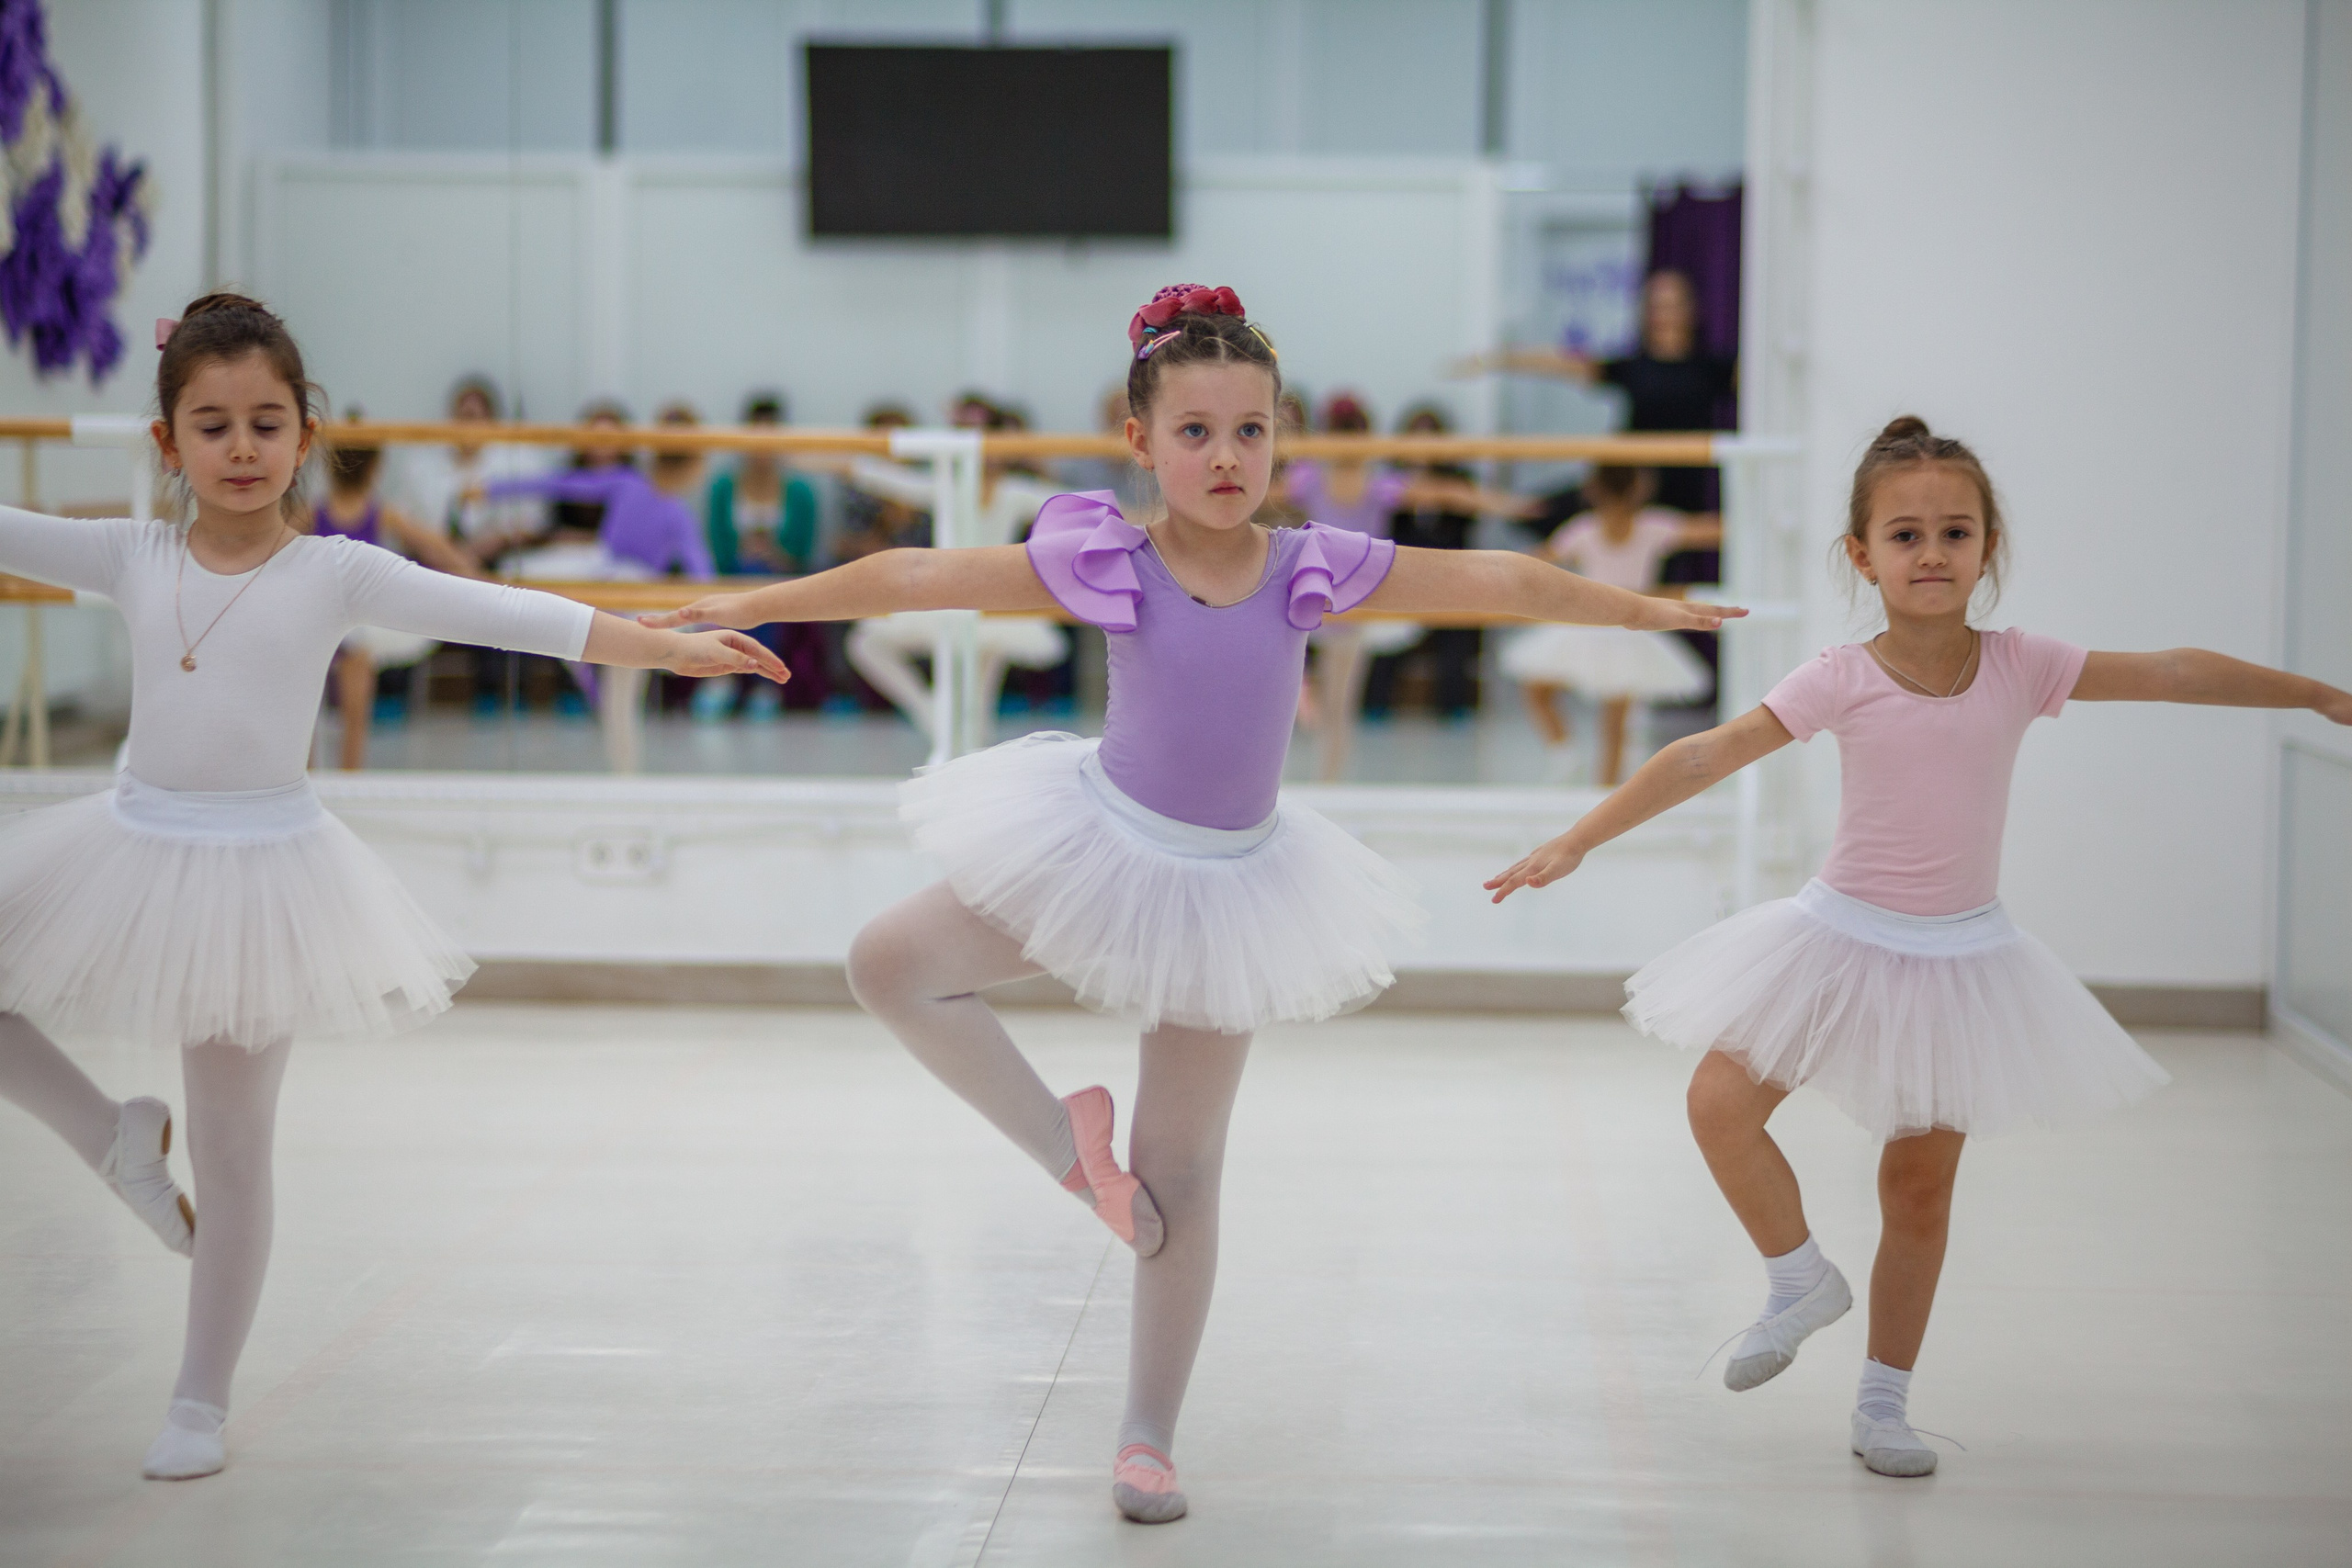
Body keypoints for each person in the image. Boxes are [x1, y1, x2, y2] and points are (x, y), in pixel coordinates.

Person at [643, 283, 1739, 1523]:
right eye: (1197, 431)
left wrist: (1644, 608)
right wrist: (748, 602)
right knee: (891, 961)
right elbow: (917, 572)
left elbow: (1507, 583)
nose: (1227, 458)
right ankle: (1072, 1152)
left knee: (1187, 1173)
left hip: (1232, 887)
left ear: (1283, 441)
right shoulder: (1106, 555)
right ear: (1140, 439)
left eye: (1253, 431)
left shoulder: (1312, 567)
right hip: (1096, 841)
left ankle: (1147, 1432)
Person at [0, 292, 785, 1482]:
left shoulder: (336, 571)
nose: (244, 448)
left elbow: (511, 611)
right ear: (169, 446)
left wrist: (666, 644)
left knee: (233, 1143)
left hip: (262, 872)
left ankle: (200, 1396)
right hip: (130, 839)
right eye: (212, 426)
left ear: (306, 437)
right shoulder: (130, 552)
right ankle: (109, 1134)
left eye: (268, 422)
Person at [1486, 415, 2352, 1479]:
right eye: (1904, 535)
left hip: (1959, 962)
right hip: (1835, 940)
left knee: (1918, 1190)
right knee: (1718, 1102)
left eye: (1954, 531)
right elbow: (1709, 751)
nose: (1931, 553)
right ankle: (1798, 1276)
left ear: (1988, 547)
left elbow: (2170, 671)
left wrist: (2312, 691)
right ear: (1862, 556)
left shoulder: (2024, 666)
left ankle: (1884, 1401)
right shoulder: (1841, 673)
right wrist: (1576, 838)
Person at [1285, 392, 1533, 780]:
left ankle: (1327, 771)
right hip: (1337, 593)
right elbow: (1447, 493)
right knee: (1337, 696)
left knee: (1337, 695)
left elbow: (1445, 493)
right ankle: (1324, 759)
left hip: (1337, 595)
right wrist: (1507, 504)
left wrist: (1508, 505)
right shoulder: (1343, 479)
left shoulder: (1335, 479)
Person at [839, 400, 1069, 743]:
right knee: (867, 643)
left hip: (993, 610)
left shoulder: (1013, 492)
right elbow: (882, 477)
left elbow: (1075, 503)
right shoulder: (947, 488)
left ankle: (955, 738)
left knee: (978, 686)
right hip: (946, 603)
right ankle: (932, 716)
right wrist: (815, 453)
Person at [1502, 465, 1722, 784]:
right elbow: (1710, 530)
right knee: (1614, 719)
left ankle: (1566, 754)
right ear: (1641, 489)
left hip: (1601, 625)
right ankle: (1602, 784)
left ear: (1593, 491)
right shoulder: (1651, 525)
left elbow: (1539, 559)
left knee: (1541, 692)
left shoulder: (1587, 528)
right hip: (1620, 626)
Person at [310, 424, 486, 769]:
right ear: (376, 467)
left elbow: (431, 545)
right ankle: (347, 772)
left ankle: (321, 772)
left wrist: (471, 572)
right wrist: (475, 573)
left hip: (352, 622)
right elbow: (434, 545)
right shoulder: (363, 512)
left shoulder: (324, 512)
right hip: (336, 619)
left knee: (350, 663)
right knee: (349, 673)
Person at [388, 377, 553, 713]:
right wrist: (441, 551)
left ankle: (494, 692)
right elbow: (402, 520)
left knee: (501, 591)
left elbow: (532, 523)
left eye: (477, 416)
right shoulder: (423, 465)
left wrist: (485, 546)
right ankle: (393, 692)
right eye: (462, 415)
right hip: (432, 558)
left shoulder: (515, 461)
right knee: (398, 583)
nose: (469, 424)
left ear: (492, 421)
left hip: (489, 556)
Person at [695, 392, 822, 720]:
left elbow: (804, 552)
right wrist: (743, 551)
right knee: (748, 582)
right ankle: (736, 677)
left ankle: (755, 679)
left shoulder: (800, 492)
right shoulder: (724, 487)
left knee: (763, 586)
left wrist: (777, 554)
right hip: (733, 574)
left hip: (780, 577)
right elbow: (716, 546)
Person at [1368, 402, 1484, 719]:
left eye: (1430, 438)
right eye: (1416, 438)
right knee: (1384, 627)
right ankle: (1374, 704)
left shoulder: (1462, 480)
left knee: (1458, 625)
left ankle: (1454, 707)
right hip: (1402, 574)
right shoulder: (1390, 482)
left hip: (1451, 575)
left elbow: (1467, 531)